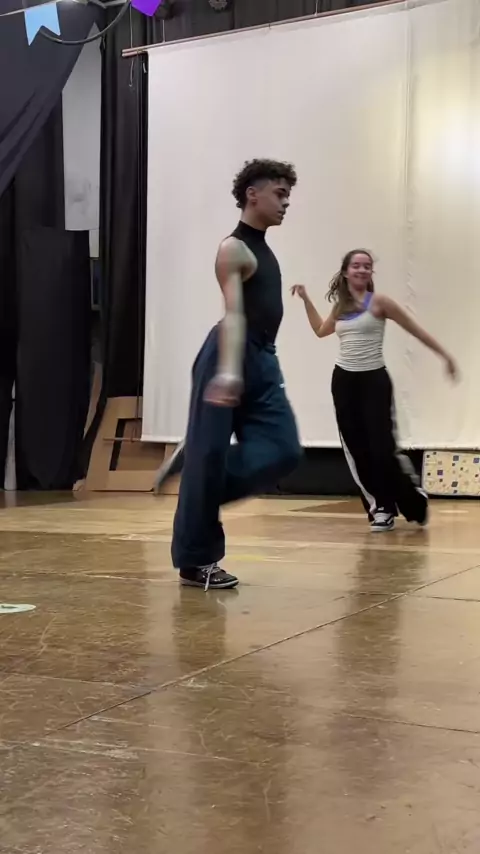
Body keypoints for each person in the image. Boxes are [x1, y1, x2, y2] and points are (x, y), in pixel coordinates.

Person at [155, 159, 302, 589]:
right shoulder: (233, 248)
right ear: (252, 194)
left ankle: (197, 477)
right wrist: (228, 371)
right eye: (280, 194)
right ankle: (196, 561)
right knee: (209, 458)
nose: (286, 203)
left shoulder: (264, 249)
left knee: (284, 451)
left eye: (288, 195)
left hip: (262, 357)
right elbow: (235, 314)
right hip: (227, 353)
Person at [291, 249, 457, 532]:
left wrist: (445, 356)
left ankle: (413, 501)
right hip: (344, 382)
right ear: (346, 272)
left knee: (382, 449)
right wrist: (307, 300)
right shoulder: (341, 306)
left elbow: (415, 330)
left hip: (374, 382)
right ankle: (381, 507)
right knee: (358, 450)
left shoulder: (379, 302)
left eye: (367, 266)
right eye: (356, 265)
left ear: (370, 273)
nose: (362, 270)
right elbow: (320, 330)